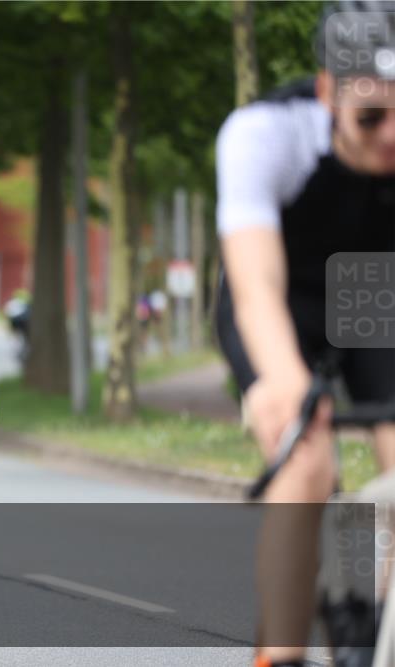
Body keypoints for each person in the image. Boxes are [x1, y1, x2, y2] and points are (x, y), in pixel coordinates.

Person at [214, 4, 395, 665]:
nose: (391, 139)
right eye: (371, 117)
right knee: (308, 458)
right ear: (327, 92)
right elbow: (255, 282)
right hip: (278, 294)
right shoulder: (263, 134)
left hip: (375, 294)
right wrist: (284, 381)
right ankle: (281, 653)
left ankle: (371, 606)